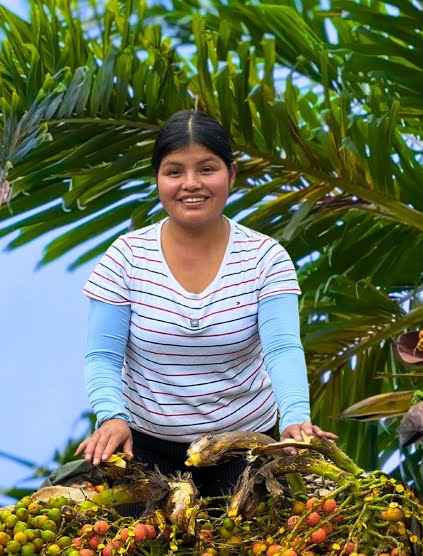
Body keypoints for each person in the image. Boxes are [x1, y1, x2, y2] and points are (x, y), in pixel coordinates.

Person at [76, 110, 332, 496]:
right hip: (144, 450)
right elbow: (103, 356)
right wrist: (112, 417)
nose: (191, 184)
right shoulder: (126, 257)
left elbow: (281, 348)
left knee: (248, 547)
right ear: (158, 179)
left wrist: (296, 418)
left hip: (245, 450)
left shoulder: (267, 258)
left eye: (206, 169)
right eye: (174, 171)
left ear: (231, 174)